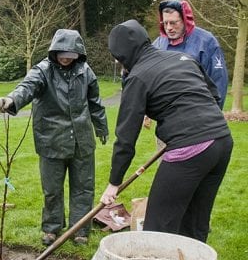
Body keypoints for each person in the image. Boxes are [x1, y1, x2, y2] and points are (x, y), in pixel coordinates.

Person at [100, 20, 233, 243]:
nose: (117, 61)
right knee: (194, 222)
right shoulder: (183, 59)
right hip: (222, 141)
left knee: (157, 226)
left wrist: (114, 183)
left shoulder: (137, 77)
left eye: (117, 56)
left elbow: (125, 138)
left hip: (190, 148)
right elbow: (214, 95)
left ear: (125, 53)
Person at [0, 29, 108, 246]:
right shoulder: (43, 71)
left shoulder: (86, 72)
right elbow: (27, 87)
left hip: (81, 141)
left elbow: (95, 102)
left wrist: (101, 127)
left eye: (71, 53)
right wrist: (11, 100)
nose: (66, 57)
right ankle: (51, 228)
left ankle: (80, 230)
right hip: (51, 140)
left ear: (78, 53)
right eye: (62, 52)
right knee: (52, 189)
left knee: (83, 188)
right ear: (54, 51)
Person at [153, 0, 228, 108]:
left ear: (185, 20)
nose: (169, 28)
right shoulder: (158, 44)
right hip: (167, 118)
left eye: (173, 23)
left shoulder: (206, 42)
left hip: (198, 115)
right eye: (165, 23)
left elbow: (218, 82)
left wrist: (213, 117)